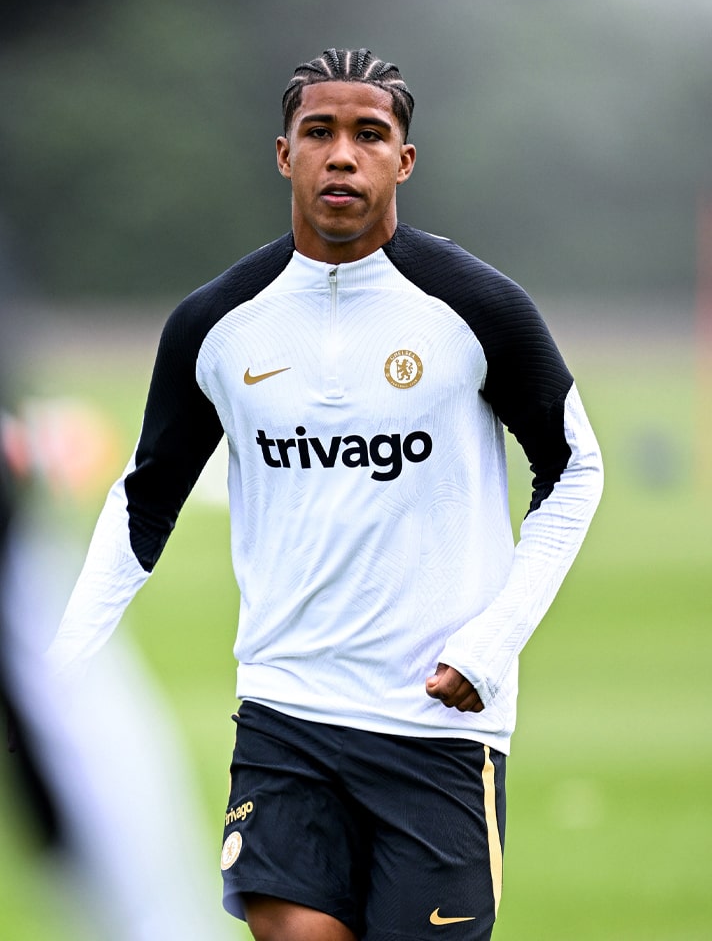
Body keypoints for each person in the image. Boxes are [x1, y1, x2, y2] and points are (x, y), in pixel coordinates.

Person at [47, 47, 604, 941]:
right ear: (284, 153)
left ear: (404, 161)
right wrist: (60, 669)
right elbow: (144, 501)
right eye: (319, 132)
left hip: (436, 724)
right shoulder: (216, 324)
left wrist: (492, 643)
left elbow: (574, 469)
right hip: (286, 715)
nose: (342, 154)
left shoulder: (478, 307)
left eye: (368, 134)